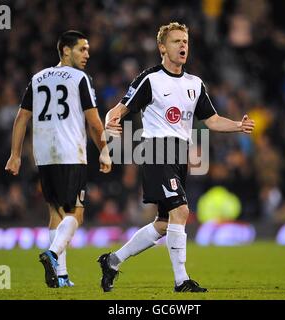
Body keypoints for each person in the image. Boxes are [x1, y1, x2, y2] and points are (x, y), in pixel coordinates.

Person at [98, 22, 255, 293]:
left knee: (164, 222)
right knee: (181, 211)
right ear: (162, 47)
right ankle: (181, 281)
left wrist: (238, 126)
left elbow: (213, 120)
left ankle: (112, 260)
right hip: (156, 150)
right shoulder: (150, 80)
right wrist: (110, 123)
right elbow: (119, 108)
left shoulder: (195, 84)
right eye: (176, 41)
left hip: (180, 153)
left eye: (185, 41)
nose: (183, 46)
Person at [5, 30, 111, 288]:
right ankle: (52, 255)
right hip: (70, 153)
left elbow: (21, 118)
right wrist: (104, 149)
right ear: (65, 50)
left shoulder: (38, 78)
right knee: (77, 213)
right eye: (81, 49)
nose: (87, 54)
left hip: (44, 155)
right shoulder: (79, 78)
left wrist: (15, 155)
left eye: (87, 50)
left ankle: (61, 276)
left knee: (56, 212)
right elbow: (94, 122)